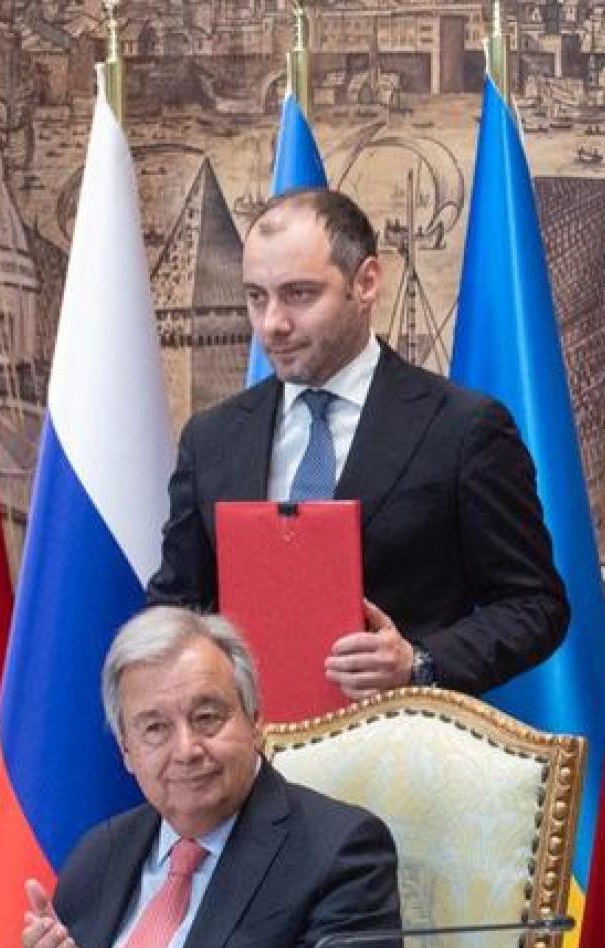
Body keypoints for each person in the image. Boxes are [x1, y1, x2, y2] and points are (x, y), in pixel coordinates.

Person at [146, 188, 569, 698]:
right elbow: (176, 608)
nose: (272, 324)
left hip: (396, 753)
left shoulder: (464, 429)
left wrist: (419, 662)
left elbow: (534, 605)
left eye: (299, 294)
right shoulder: (211, 437)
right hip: (250, 762)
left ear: (365, 282)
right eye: (257, 296)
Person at [19, 607, 402, 948]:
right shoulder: (100, 851)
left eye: (207, 718)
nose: (187, 750)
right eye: (155, 729)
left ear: (255, 721)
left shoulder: (341, 853)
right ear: (126, 751)